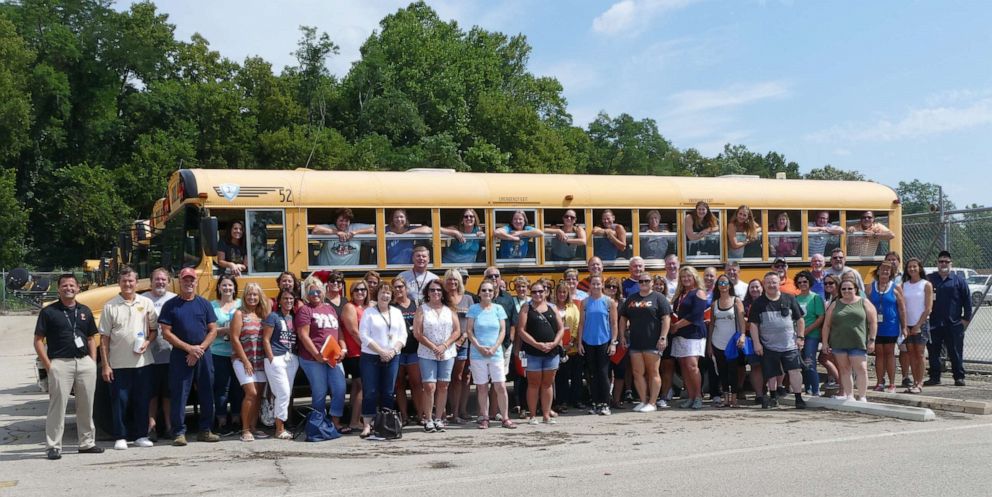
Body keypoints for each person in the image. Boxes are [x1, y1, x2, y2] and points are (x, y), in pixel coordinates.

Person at [34, 274, 104, 459]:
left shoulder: (85, 310)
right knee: (58, 406)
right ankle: (53, 446)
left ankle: (87, 443)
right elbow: (38, 341)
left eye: (72, 285)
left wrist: (92, 360)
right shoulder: (49, 312)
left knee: (86, 405)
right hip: (60, 363)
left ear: (78, 288)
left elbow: (90, 337)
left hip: (84, 363)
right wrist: (49, 365)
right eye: (64, 285)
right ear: (59, 289)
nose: (68, 288)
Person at [160, 267, 221, 446]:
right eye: (185, 280)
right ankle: (178, 432)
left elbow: (213, 330)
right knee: (179, 393)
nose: (189, 283)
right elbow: (166, 332)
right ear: (180, 281)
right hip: (180, 355)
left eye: (191, 280)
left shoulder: (204, 303)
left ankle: (205, 430)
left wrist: (199, 349)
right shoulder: (170, 305)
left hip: (203, 354)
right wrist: (189, 349)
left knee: (207, 392)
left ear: (196, 282)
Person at [99, 266, 157, 450]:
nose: (128, 284)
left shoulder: (146, 303)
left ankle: (141, 435)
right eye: (124, 281)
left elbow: (154, 330)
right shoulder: (110, 306)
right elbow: (104, 338)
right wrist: (106, 365)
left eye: (131, 281)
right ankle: (120, 436)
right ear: (119, 283)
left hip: (143, 363)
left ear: (137, 282)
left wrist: (148, 342)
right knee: (119, 402)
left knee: (142, 400)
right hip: (118, 364)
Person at [296, 276, 349, 433]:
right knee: (320, 390)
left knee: (340, 388)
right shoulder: (305, 310)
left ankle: (335, 421)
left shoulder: (330, 308)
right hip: (312, 358)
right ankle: (318, 422)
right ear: (306, 293)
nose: (315, 294)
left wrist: (343, 349)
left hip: (333, 355)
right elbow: (303, 335)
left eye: (318, 290)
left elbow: (338, 331)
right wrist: (316, 354)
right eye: (311, 291)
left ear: (323, 291)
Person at [750, 272, 807, 409]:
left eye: (774, 282)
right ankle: (773, 397)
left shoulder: (789, 298)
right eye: (768, 282)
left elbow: (800, 319)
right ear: (764, 284)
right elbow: (753, 324)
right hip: (768, 345)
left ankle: (798, 398)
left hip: (790, 344)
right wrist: (757, 343)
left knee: (795, 371)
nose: (771, 285)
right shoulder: (758, 303)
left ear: (779, 284)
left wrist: (800, 337)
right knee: (772, 374)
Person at [358, 283, 407, 439]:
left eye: (388, 293)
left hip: (393, 356)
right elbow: (364, 336)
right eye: (382, 292)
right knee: (370, 391)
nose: (385, 296)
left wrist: (392, 351)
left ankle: (386, 423)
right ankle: (367, 425)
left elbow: (403, 336)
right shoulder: (369, 313)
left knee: (388, 391)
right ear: (376, 294)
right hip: (371, 356)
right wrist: (381, 351)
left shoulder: (397, 313)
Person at [466, 280, 517, 429]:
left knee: (500, 385)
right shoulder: (474, 309)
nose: (487, 293)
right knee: (482, 387)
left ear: (493, 293)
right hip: (477, 354)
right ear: (479, 293)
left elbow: (503, 330)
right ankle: (484, 417)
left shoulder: (498, 308)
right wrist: (479, 347)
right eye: (484, 290)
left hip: (495, 353)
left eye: (489, 290)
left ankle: (505, 418)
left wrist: (495, 347)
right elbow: (469, 331)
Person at [620, 271, 672, 412]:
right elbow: (623, 317)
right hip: (636, 342)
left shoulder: (659, 298)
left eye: (647, 281)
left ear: (651, 283)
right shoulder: (632, 298)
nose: (643, 283)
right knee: (637, 372)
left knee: (653, 372)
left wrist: (663, 337)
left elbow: (666, 318)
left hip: (653, 341)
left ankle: (653, 402)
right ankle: (643, 400)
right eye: (641, 281)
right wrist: (622, 335)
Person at [413, 279, 460, 432]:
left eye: (439, 290)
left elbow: (457, 331)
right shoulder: (422, 309)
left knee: (443, 385)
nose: (435, 293)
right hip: (427, 352)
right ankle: (428, 419)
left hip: (447, 352)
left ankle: (439, 418)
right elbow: (417, 333)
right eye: (432, 290)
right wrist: (434, 347)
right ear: (427, 292)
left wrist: (444, 346)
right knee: (429, 386)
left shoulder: (449, 309)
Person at [822, 279, 879, 401]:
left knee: (861, 369)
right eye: (843, 289)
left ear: (855, 289)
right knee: (844, 369)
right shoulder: (835, 304)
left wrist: (872, 340)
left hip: (858, 342)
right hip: (839, 342)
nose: (847, 291)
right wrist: (825, 342)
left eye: (849, 288)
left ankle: (863, 396)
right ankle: (849, 395)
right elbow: (826, 325)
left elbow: (873, 322)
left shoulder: (864, 302)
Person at [518, 280, 565, 424]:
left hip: (551, 352)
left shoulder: (552, 307)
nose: (537, 294)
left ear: (545, 292)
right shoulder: (526, 308)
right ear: (530, 293)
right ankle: (532, 415)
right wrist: (536, 344)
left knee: (547, 384)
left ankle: (546, 415)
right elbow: (521, 330)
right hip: (533, 352)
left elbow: (561, 328)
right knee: (533, 384)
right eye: (534, 292)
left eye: (540, 291)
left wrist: (554, 343)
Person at [230, 283, 270, 441]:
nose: (252, 297)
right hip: (242, 359)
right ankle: (245, 429)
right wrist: (245, 361)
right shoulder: (239, 314)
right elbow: (234, 338)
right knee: (251, 393)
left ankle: (254, 427)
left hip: (259, 359)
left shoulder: (263, 314)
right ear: (244, 296)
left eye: (255, 295)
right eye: (249, 294)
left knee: (259, 395)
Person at [925, 250, 972, 387]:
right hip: (933, 323)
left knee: (955, 352)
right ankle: (935, 377)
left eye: (946, 261)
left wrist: (965, 319)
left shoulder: (959, 280)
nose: (943, 264)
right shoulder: (929, 279)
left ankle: (959, 377)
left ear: (951, 264)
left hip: (954, 324)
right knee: (934, 352)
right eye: (941, 261)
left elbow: (967, 301)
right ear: (937, 263)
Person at [577, 275, 618, 415]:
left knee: (603, 373)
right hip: (588, 341)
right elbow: (581, 323)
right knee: (592, 374)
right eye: (593, 284)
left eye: (598, 284)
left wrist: (613, 343)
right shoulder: (585, 302)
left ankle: (605, 403)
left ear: (602, 285)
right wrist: (579, 343)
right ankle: (594, 403)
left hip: (604, 341)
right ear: (590, 286)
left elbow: (613, 323)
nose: (595, 286)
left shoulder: (609, 302)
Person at [670, 267, 709, 409]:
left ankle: (698, 396)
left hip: (694, 334)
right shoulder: (680, 294)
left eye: (689, 276)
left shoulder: (699, 293)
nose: (686, 279)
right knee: (684, 367)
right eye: (683, 277)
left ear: (694, 277)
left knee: (692, 366)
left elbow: (696, 316)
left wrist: (676, 326)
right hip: (680, 334)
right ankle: (690, 396)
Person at [262, 289, 298, 440]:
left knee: (284, 394)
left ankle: (279, 424)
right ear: (279, 300)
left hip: (291, 359)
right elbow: (265, 339)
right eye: (285, 298)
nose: (288, 301)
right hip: (277, 358)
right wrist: (271, 359)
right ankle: (279, 429)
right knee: (283, 393)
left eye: (291, 298)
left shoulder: (294, 317)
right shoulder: (273, 316)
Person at [145, 268, 176, 441]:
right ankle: (152, 427)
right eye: (157, 279)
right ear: (151, 282)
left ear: (169, 281)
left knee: (168, 394)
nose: (160, 282)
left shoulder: (174, 299)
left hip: (171, 354)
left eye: (163, 279)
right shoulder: (143, 300)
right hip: (149, 355)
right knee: (152, 394)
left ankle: (170, 427)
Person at [209, 275, 242, 435]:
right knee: (221, 389)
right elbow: (210, 330)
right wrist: (228, 330)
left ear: (235, 288)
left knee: (238, 388)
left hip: (239, 353)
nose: (227, 288)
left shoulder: (241, 304)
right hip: (218, 353)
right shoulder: (212, 306)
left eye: (230, 285)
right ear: (219, 288)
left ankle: (236, 420)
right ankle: (222, 422)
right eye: (224, 285)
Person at [707, 274, 745, 407]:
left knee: (733, 370)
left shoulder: (736, 301)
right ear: (717, 287)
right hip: (717, 341)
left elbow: (741, 320)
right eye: (720, 283)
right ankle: (725, 398)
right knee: (722, 371)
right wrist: (709, 345)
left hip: (732, 342)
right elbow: (712, 324)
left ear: (730, 285)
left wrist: (742, 335)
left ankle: (734, 399)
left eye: (725, 283)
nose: (723, 286)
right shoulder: (714, 304)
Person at [443, 269, 474, 424]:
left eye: (455, 280)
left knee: (458, 377)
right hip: (445, 344)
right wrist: (449, 342)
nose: (452, 282)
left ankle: (456, 413)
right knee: (442, 379)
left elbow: (472, 322)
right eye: (449, 280)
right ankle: (442, 413)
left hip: (463, 343)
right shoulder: (441, 298)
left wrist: (463, 338)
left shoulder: (468, 299)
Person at [869, 261, 906, 393]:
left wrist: (904, 327)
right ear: (877, 271)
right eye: (882, 269)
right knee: (879, 354)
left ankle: (892, 383)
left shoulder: (896, 288)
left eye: (888, 270)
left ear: (891, 273)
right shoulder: (870, 287)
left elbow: (902, 309)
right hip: (876, 326)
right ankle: (879, 382)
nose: (885, 271)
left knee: (890, 353)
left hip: (891, 326)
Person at [391, 276, 423, 425]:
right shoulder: (391, 307)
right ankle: (403, 416)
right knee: (400, 384)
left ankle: (420, 414)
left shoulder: (415, 304)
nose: (398, 290)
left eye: (400, 287)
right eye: (395, 287)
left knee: (417, 383)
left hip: (414, 350)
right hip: (397, 351)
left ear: (406, 288)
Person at [340, 280, 369, 431]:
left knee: (358, 386)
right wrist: (369, 348)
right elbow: (353, 331)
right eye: (356, 290)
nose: (360, 292)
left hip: (364, 351)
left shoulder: (367, 307)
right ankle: (354, 421)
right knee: (360, 386)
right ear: (351, 293)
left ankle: (356, 419)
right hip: (355, 352)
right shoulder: (349, 307)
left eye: (363, 289)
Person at [901, 258, 932, 394]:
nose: (912, 269)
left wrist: (918, 325)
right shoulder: (904, 285)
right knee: (911, 354)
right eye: (909, 267)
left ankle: (919, 383)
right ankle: (914, 382)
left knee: (919, 354)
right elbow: (902, 307)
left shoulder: (926, 285)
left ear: (919, 268)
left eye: (914, 266)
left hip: (921, 324)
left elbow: (928, 308)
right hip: (907, 324)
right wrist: (905, 325)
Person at [794, 271, 826, 397]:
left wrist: (805, 331)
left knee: (809, 360)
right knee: (801, 362)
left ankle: (815, 389)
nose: (802, 284)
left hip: (812, 334)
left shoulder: (815, 298)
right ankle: (806, 388)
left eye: (805, 282)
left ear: (809, 282)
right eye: (800, 282)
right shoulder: (795, 298)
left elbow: (820, 317)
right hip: (798, 335)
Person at [553, 281, 583, 411]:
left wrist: (571, 341)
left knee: (576, 376)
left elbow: (577, 324)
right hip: (557, 346)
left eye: (564, 292)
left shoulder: (573, 307)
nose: (562, 294)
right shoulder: (552, 307)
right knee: (561, 377)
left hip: (572, 346)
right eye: (559, 292)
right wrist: (560, 344)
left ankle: (577, 400)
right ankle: (562, 401)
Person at [740, 278, 766, 403]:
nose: (755, 289)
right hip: (751, 338)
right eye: (752, 287)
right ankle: (759, 394)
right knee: (755, 366)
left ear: (762, 288)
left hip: (769, 338)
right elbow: (743, 323)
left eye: (757, 287)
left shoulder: (768, 301)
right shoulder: (744, 305)